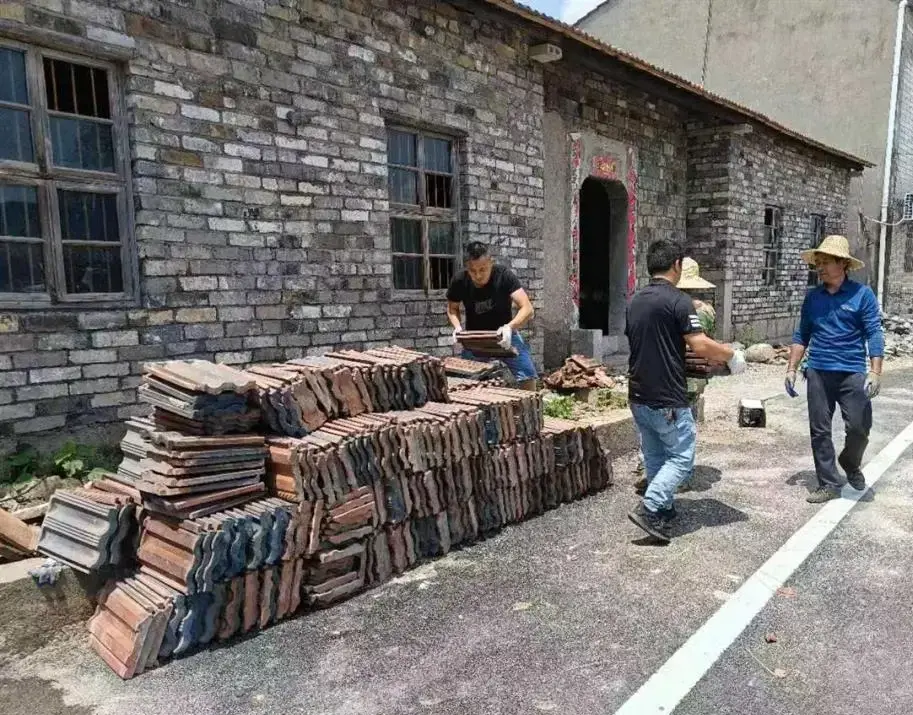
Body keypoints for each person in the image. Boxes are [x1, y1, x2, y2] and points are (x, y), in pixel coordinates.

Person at [626, 240, 747, 542]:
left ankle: (664, 511)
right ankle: (651, 508)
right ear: (677, 265)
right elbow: (700, 344)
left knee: (655, 455)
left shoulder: (634, 300)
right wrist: (732, 356)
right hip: (667, 395)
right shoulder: (679, 301)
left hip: (638, 393)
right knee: (681, 458)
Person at [785, 235, 884, 503]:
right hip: (818, 370)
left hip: (852, 371)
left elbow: (874, 332)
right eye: (818, 262)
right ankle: (828, 482)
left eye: (826, 262)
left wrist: (875, 371)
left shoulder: (862, 295)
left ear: (843, 264)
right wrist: (792, 369)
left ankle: (850, 463)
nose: (820, 267)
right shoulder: (813, 298)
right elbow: (801, 335)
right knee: (820, 429)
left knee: (859, 427)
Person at [633, 256, 718, 494]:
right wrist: (729, 356)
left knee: (653, 433)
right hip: (688, 379)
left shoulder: (651, 304)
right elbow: (703, 344)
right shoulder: (702, 310)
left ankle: (650, 471)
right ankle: (674, 479)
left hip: (657, 379)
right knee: (681, 434)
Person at [446, 241, 538, 390]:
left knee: (527, 373)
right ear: (467, 268)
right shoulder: (460, 280)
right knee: (465, 379)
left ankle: (530, 410)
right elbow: (452, 309)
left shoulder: (504, 275)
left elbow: (527, 308)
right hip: (475, 338)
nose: (477, 275)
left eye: (483, 269)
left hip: (505, 335)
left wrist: (510, 327)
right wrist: (457, 327)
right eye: (472, 271)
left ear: (491, 263)